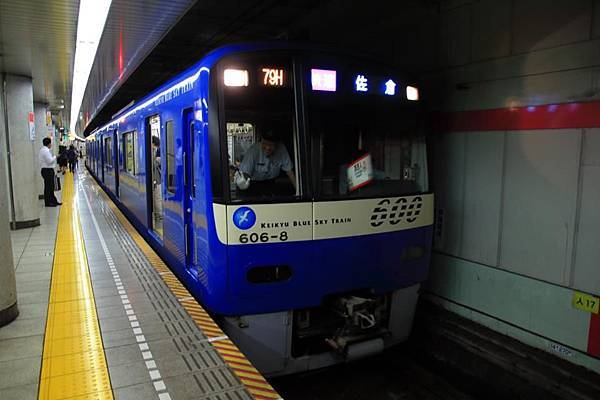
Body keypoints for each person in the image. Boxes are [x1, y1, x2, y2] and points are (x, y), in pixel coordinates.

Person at [39, 137, 61, 207]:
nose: (51, 144)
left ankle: (53, 201)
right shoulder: (45, 151)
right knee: (49, 187)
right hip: (47, 170)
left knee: (49, 187)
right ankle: (49, 203)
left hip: (46, 170)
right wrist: (55, 157)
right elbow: (50, 161)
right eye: (50, 143)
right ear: (49, 144)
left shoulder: (42, 150)